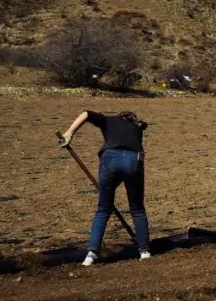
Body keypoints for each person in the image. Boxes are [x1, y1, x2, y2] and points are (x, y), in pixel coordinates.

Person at [59, 110, 151, 266]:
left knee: (103, 208)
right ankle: (144, 251)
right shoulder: (137, 127)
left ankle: (91, 254)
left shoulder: (108, 120)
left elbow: (86, 113)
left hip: (110, 159)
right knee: (137, 209)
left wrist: (69, 134)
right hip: (133, 161)